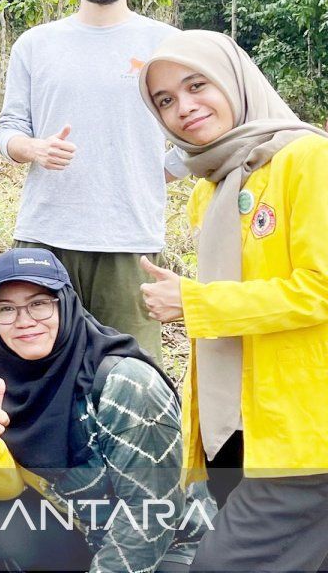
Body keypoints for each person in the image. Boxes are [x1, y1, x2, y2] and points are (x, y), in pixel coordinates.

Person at [138, 30, 328, 572]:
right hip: (240, 426)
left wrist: (198, 303)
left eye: (197, 85)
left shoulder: (307, 159)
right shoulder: (213, 184)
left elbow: (322, 287)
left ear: (235, 79)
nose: (184, 108)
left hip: (305, 432)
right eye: (165, 101)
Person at [0, 0, 189, 361]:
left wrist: (160, 170)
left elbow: (197, 129)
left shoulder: (166, 42)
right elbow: (8, 129)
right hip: (46, 233)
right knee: (39, 364)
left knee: (133, 372)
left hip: (129, 238)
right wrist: (34, 149)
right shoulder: (36, 43)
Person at [0, 247, 206, 572]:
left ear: (66, 303)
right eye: (6, 309)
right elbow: (1, 490)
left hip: (172, 544)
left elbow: (152, 512)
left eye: (39, 304)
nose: (24, 321)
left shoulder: (124, 381)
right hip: (85, 529)